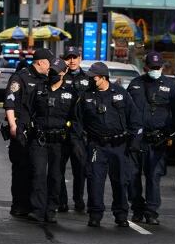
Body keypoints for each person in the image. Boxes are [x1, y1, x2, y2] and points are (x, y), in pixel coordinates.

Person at [76, 62, 139, 227]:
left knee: (120, 180)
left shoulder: (120, 93)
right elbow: (78, 121)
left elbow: (134, 119)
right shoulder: (86, 95)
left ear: (103, 77)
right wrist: (80, 144)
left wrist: (133, 143)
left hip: (119, 144)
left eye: (93, 77)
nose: (90, 80)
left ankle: (121, 214)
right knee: (95, 180)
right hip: (96, 144)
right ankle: (95, 214)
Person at [126, 51, 175, 225]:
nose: (155, 69)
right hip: (137, 138)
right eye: (152, 67)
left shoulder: (170, 85)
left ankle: (151, 211)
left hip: (157, 139)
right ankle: (137, 208)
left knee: (154, 176)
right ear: (145, 67)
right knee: (132, 175)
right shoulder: (135, 84)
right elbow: (126, 111)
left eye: (158, 67)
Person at [16, 58, 77, 223]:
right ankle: (37, 209)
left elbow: (77, 118)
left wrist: (75, 140)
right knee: (38, 173)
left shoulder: (71, 93)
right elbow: (26, 111)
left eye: (56, 72)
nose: (52, 74)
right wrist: (21, 130)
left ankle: (51, 209)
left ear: (64, 73)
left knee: (56, 176)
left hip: (60, 141)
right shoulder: (39, 89)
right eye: (51, 71)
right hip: (40, 138)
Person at [4, 47, 54, 217]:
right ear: (40, 62)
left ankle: (36, 206)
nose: (50, 66)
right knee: (20, 168)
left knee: (37, 170)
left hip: (39, 130)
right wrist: (12, 126)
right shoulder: (21, 77)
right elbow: (10, 103)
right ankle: (18, 204)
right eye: (48, 63)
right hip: (22, 129)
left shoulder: (48, 78)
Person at [58, 46, 92, 212]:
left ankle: (78, 199)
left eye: (74, 57)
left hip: (80, 131)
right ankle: (61, 201)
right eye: (68, 57)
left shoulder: (88, 79)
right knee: (58, 168)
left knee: (80, 168)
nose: (71, 61)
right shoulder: (59, 77)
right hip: (62, 129)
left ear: (80, 58)